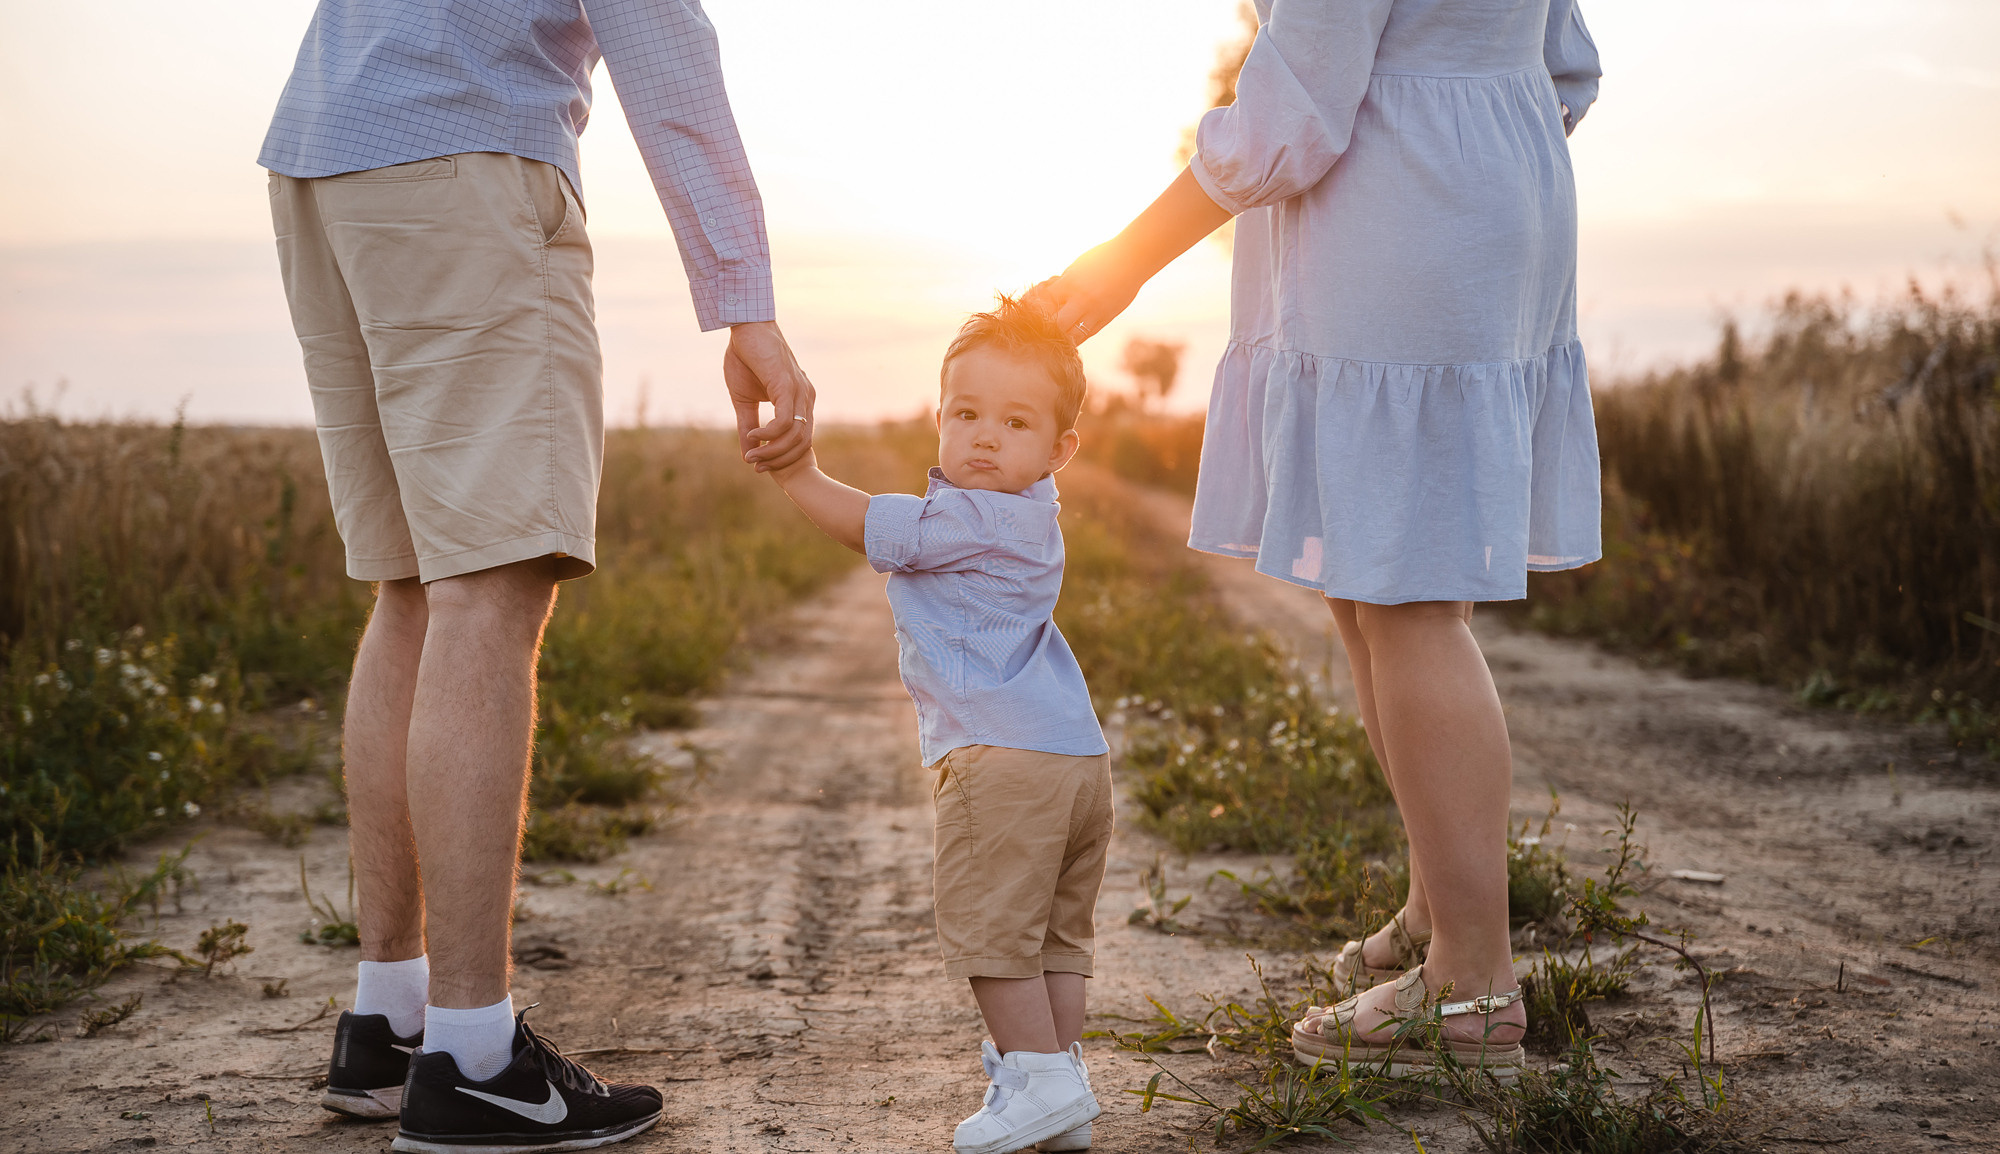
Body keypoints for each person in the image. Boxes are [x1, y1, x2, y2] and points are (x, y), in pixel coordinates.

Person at [258, 1, 814, 1149]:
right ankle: (472, 1058)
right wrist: (743, 297)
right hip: (462, 166)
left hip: (324, 149)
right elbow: (663, 47)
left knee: (412, 583)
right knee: (488, 584)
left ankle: (392, 1020)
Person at [1037, 0, 1603, 1081]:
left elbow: (1293, 102)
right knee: (1374, 592)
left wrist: (1124, 261)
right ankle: (1439, 910)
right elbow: (1566, 65)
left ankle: (1471, 976)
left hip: (1397, 216)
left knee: (1406, 601)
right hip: (1492, 194)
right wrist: (1473, 136)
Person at [755, 297, 1108, 1154]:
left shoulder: (972, 517)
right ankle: (1055, 1082)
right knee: (1056, 936)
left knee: (991, 933)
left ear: (1061, 449)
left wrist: (796, 473)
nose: (986, 437)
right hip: (1076, 761)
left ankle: (1039, 1076)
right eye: (966, 413)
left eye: (1016, 422)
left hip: (1001, 758)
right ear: (939, 414)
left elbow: (872, 526)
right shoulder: (1036, 512)